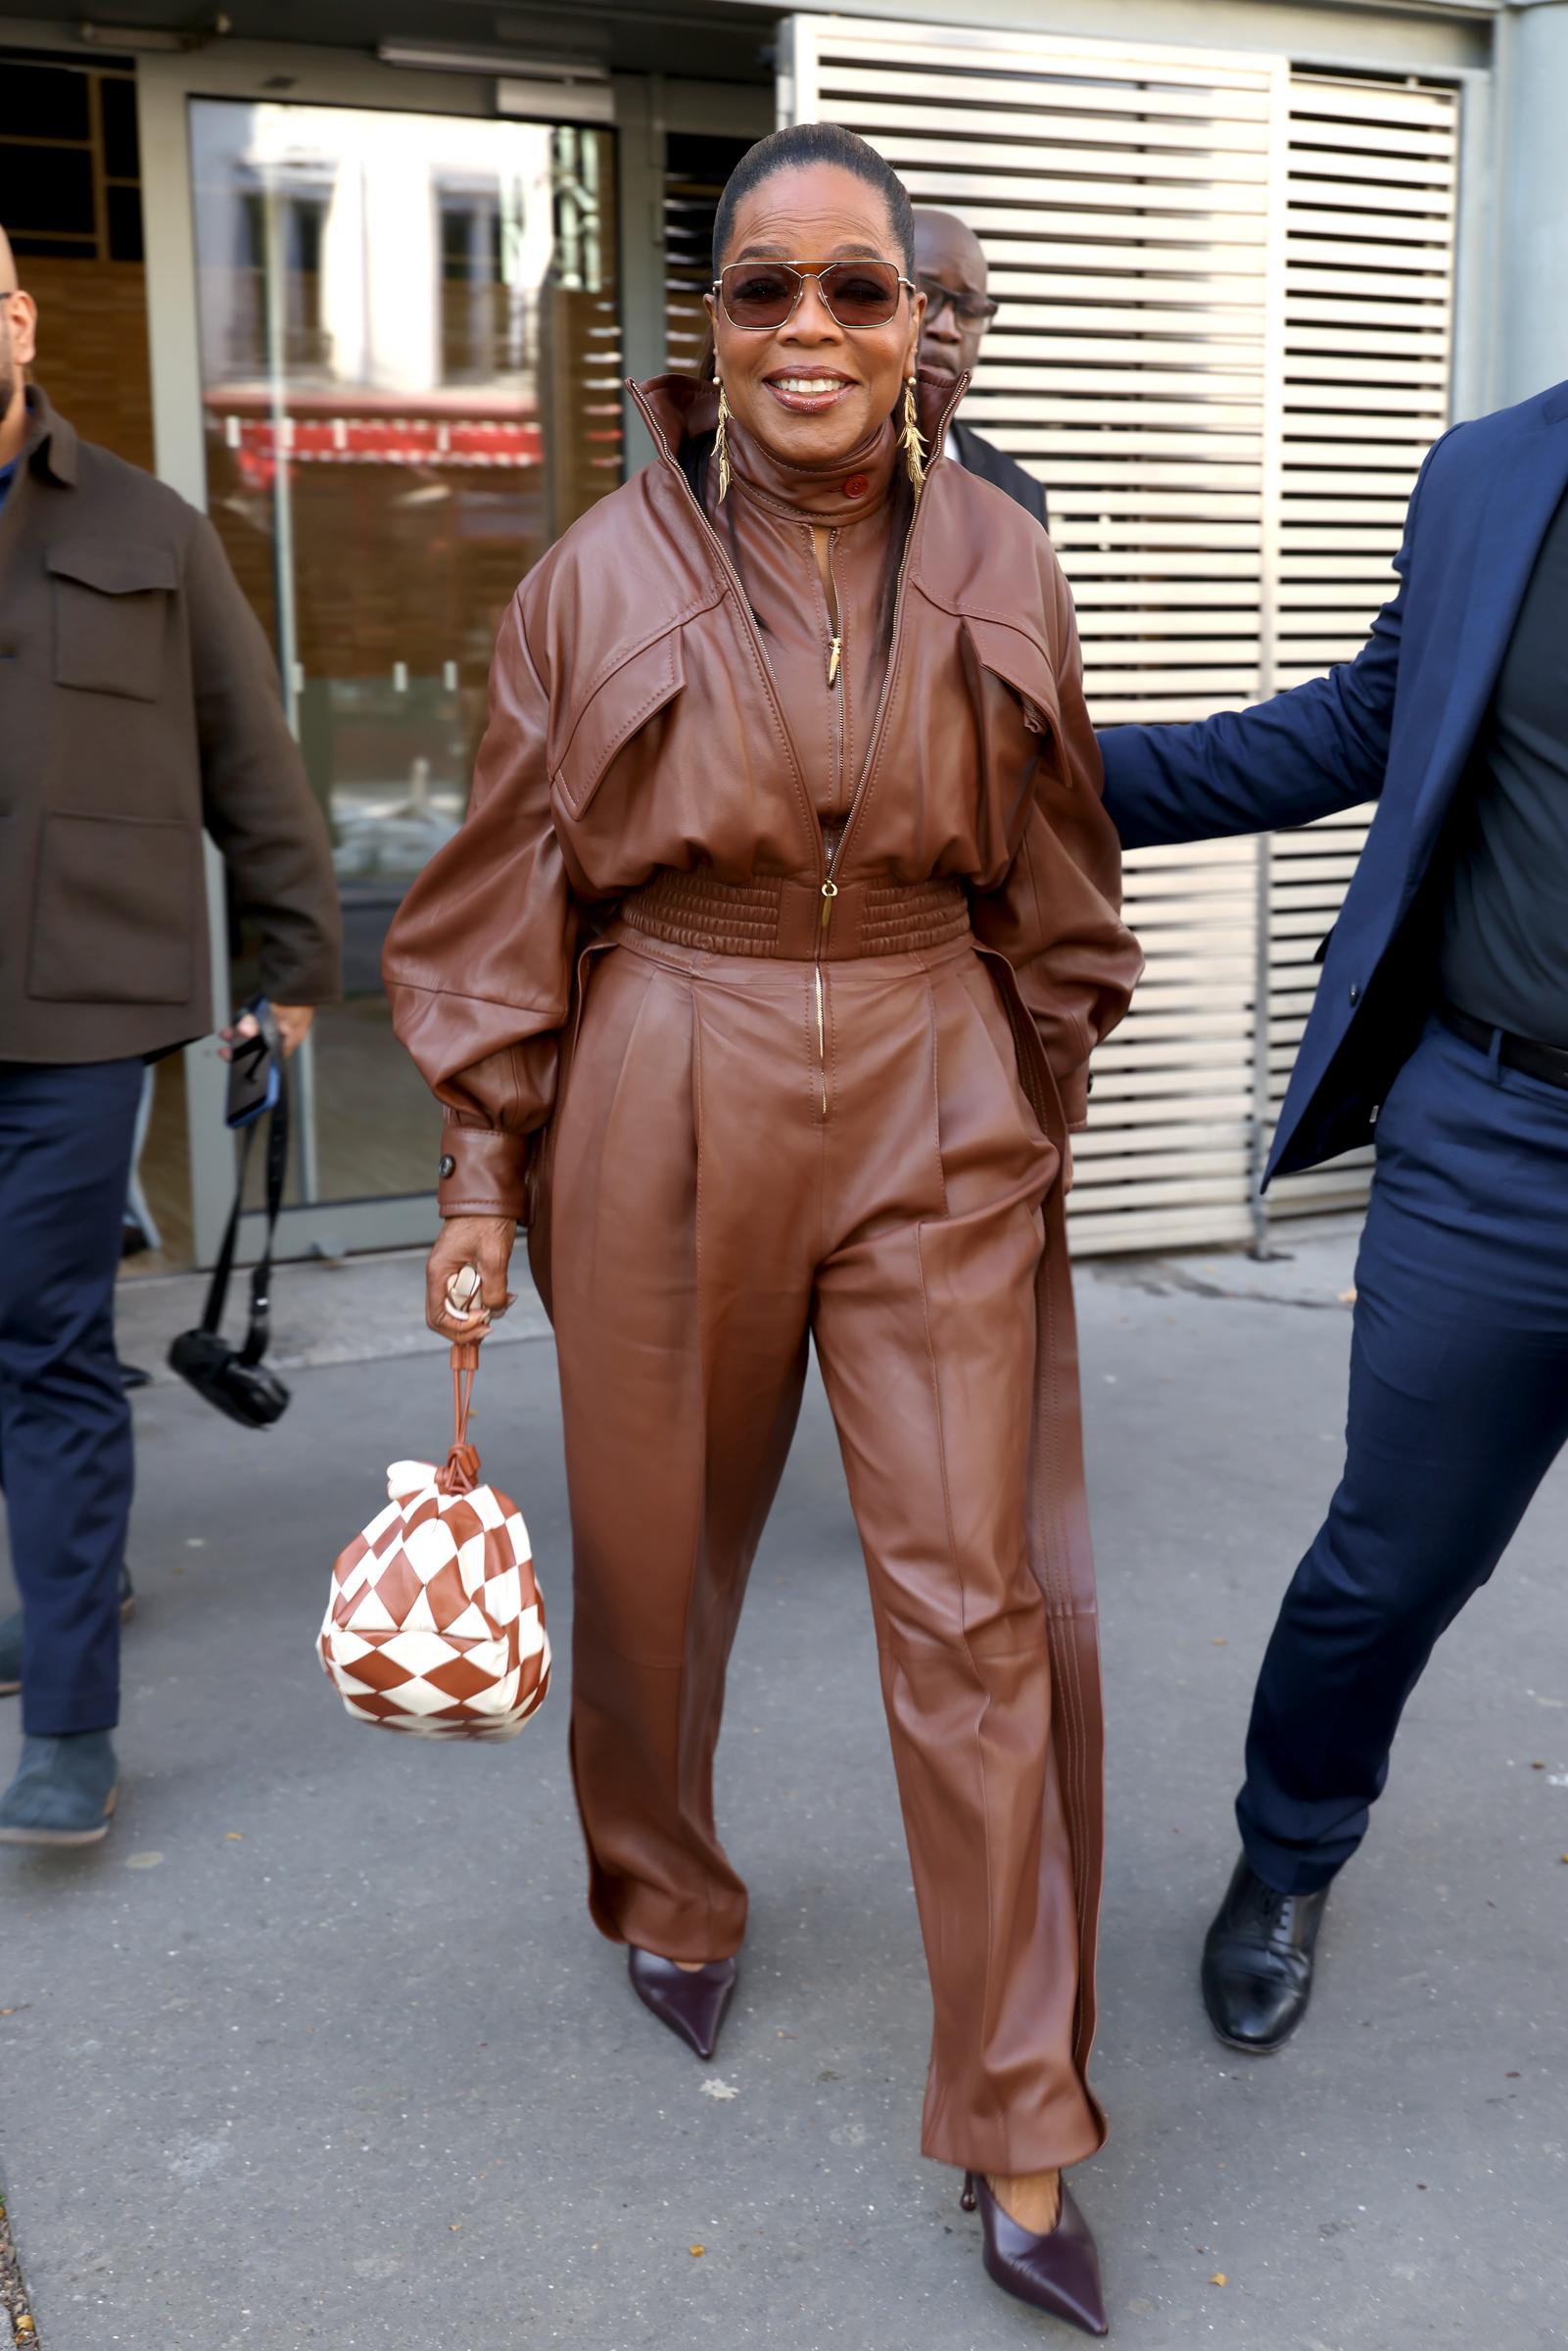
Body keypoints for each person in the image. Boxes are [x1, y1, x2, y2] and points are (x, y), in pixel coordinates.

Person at [385, 123, 1138, 2332]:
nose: (805, 329)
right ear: (704, 332)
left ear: (919, 331)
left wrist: (1025, 1100)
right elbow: (499, 899)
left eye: (853, 291)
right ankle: (666, 1884)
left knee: (971, 1605)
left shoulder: (1002, 561)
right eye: (760, 292)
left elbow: (1058, 881)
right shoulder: (585, 585)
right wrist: (471, 1164)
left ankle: (1018, 2104)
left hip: (927, 1065)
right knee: (652, 1551)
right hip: (665, 1062)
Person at [1098, 379, 1568, 2056]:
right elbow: (1356, 724)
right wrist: (1030, 769)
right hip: (1502, 1138)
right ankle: (1283, 1858)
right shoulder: (1494, 474)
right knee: (1387, 1566)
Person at [0, 226, 341, 1847]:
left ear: (16, 315)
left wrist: (289, 968)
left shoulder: (150, 526)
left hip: (77, 1015)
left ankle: (69, 1717)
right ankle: (69, 1591)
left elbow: (252, 764)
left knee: (47, 1341)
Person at [913, 208, 1047, 527]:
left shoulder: (1019, 494)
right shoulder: (808, 473)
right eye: (927, 296)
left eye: (969, 310)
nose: (948, 329)